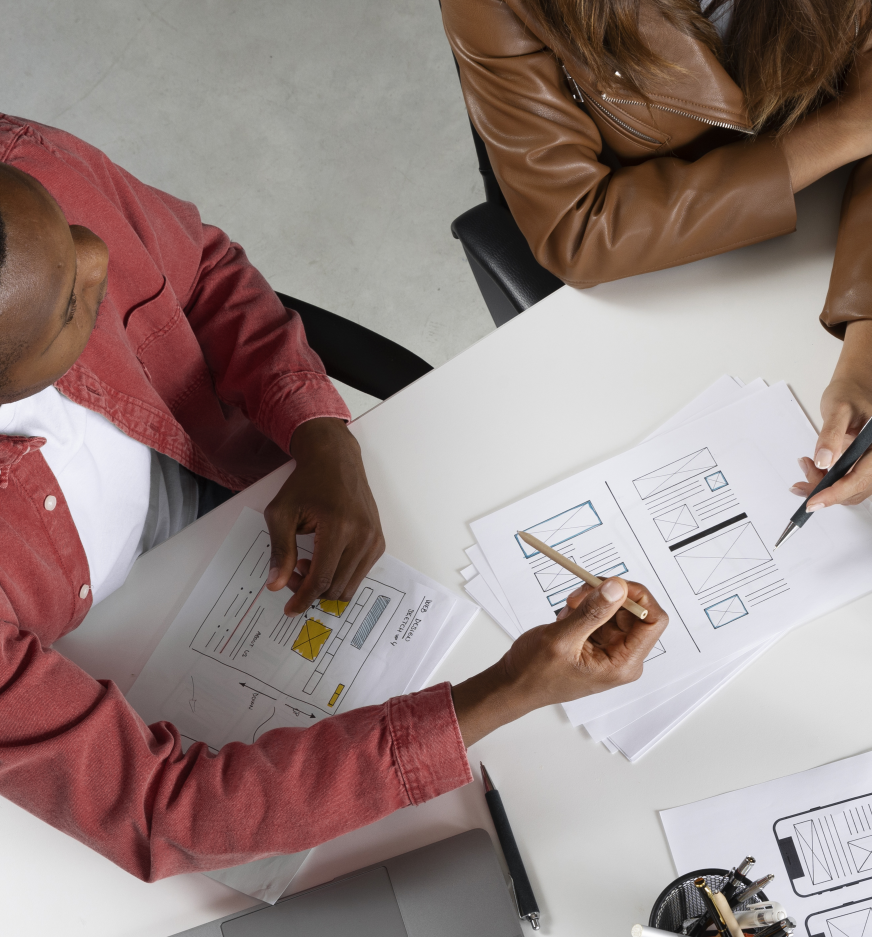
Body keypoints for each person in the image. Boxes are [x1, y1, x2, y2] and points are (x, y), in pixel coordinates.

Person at [0, 113, 669, 880]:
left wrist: (320, 435)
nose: (96, 254)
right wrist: (509, 688)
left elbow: (202, 274)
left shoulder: (24, 163)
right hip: (86, 660)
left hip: (231, 479)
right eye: (69, 308)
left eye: (67, 231)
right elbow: (168, 811)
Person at [441, 0, 872, 509]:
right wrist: (842, 130)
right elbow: (579, 228)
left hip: (828, 236)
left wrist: (864, 354)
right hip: (669, 284)